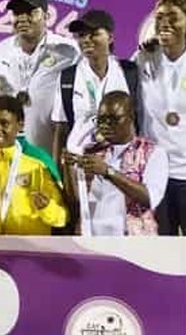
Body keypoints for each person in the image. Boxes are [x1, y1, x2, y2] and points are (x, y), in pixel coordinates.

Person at [132, 0, 186, 335]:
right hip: (155, 175)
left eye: (173, 17)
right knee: (160, 253)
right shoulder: (144, 58)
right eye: (160, 16)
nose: (165, 23)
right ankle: (165, 325)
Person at [0, 0, 80, 153]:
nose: (23, 18)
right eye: (17, 13)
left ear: (46, 16)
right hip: (9, 152)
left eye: (30, 12)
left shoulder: (69, 51)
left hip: (51, 152)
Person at [65, 91, 168, 238]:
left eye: (113, 119)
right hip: (93, 238)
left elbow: (150, 198)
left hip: (133, 239)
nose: (105, 125)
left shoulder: (152, 153)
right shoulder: (91, 151)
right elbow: (77, 200)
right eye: (101, 120)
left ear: (131, 117)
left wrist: (108, 172)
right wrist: (67, 167)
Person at [51, 10, 140, 169]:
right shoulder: (68, 77)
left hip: (121, 165)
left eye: (94, 34)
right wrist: (56, 173)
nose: (86, 40)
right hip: (80, 164)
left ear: (110, 37)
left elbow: (139, 121)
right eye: (81, 35)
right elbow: (61, 130)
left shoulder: (129, 72)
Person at [0, 96, 67, 235]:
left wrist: (47, 208)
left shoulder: (39, 162)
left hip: (28, 244)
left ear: (20, 125)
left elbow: (62, 217)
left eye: (4, 123)